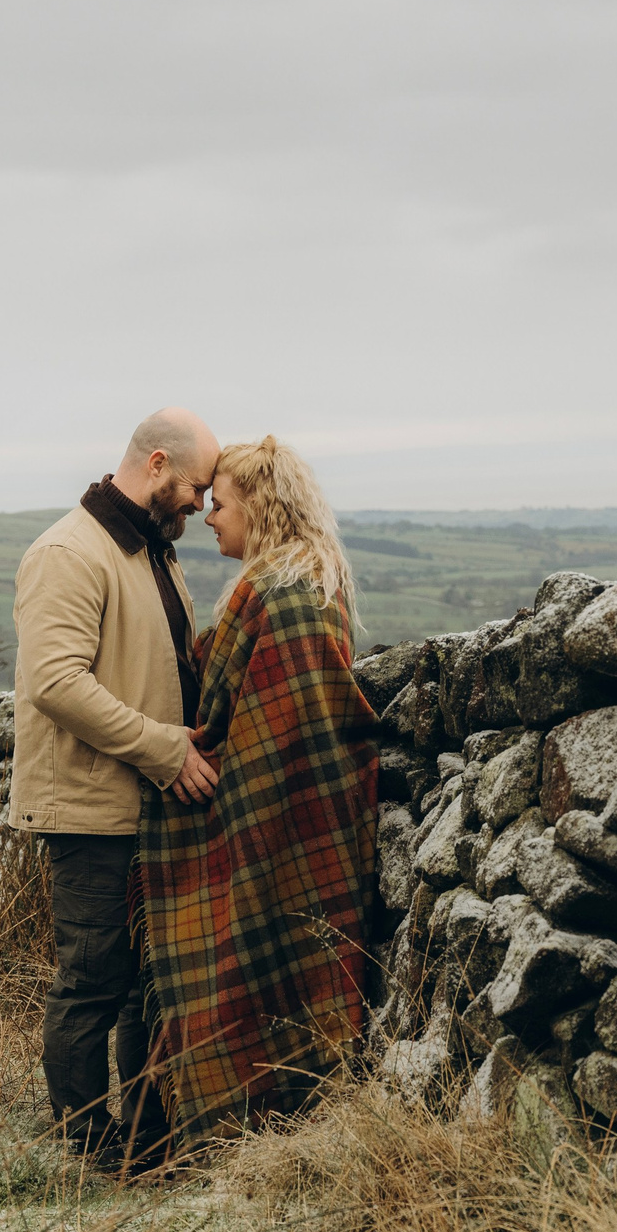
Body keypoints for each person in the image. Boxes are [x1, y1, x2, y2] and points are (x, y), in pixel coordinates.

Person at [130, 435, 377, 1154]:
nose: (208, 515)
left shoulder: (282, 591)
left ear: (260, 507)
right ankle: (264, 1132)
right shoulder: (288, 582)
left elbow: (285, 718)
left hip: (286, 814)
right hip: (280, 812)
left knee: (260, 961)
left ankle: (253, 1133)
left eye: (222, 502)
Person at [8, 407, 222, 1160]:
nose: (203, 502)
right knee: (94, 978)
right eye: (197, 486)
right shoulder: (70, 551)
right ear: (157, 463)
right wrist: (165, 748)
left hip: (142, 808)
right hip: (90, 808)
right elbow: (56, 683)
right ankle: (88, 1143)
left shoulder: (151, 552)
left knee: (144, 984)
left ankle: (144, 1137)